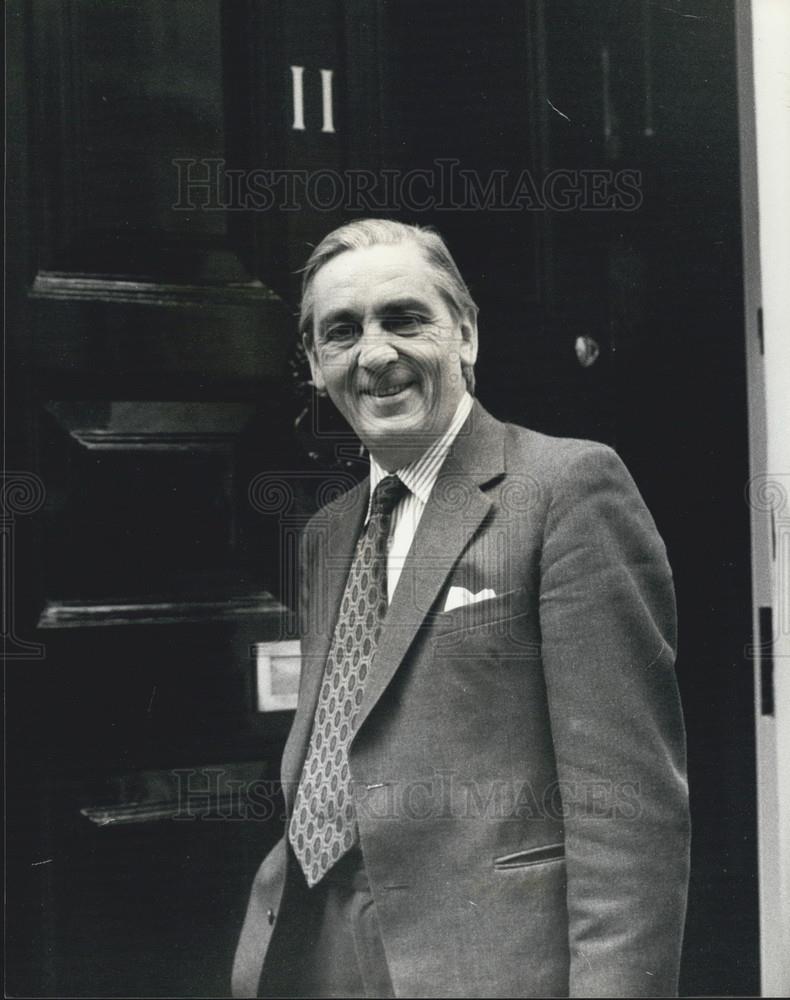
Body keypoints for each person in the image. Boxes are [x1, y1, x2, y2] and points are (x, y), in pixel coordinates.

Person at [233, 219, 690, 998]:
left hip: (487, 962)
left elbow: (628, 812)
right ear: (314, 365)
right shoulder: (325, 535)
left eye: (404, 319)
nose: (375, 355)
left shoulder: (565, 491)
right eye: (340, 333)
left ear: (467, 333)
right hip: (315, 948)